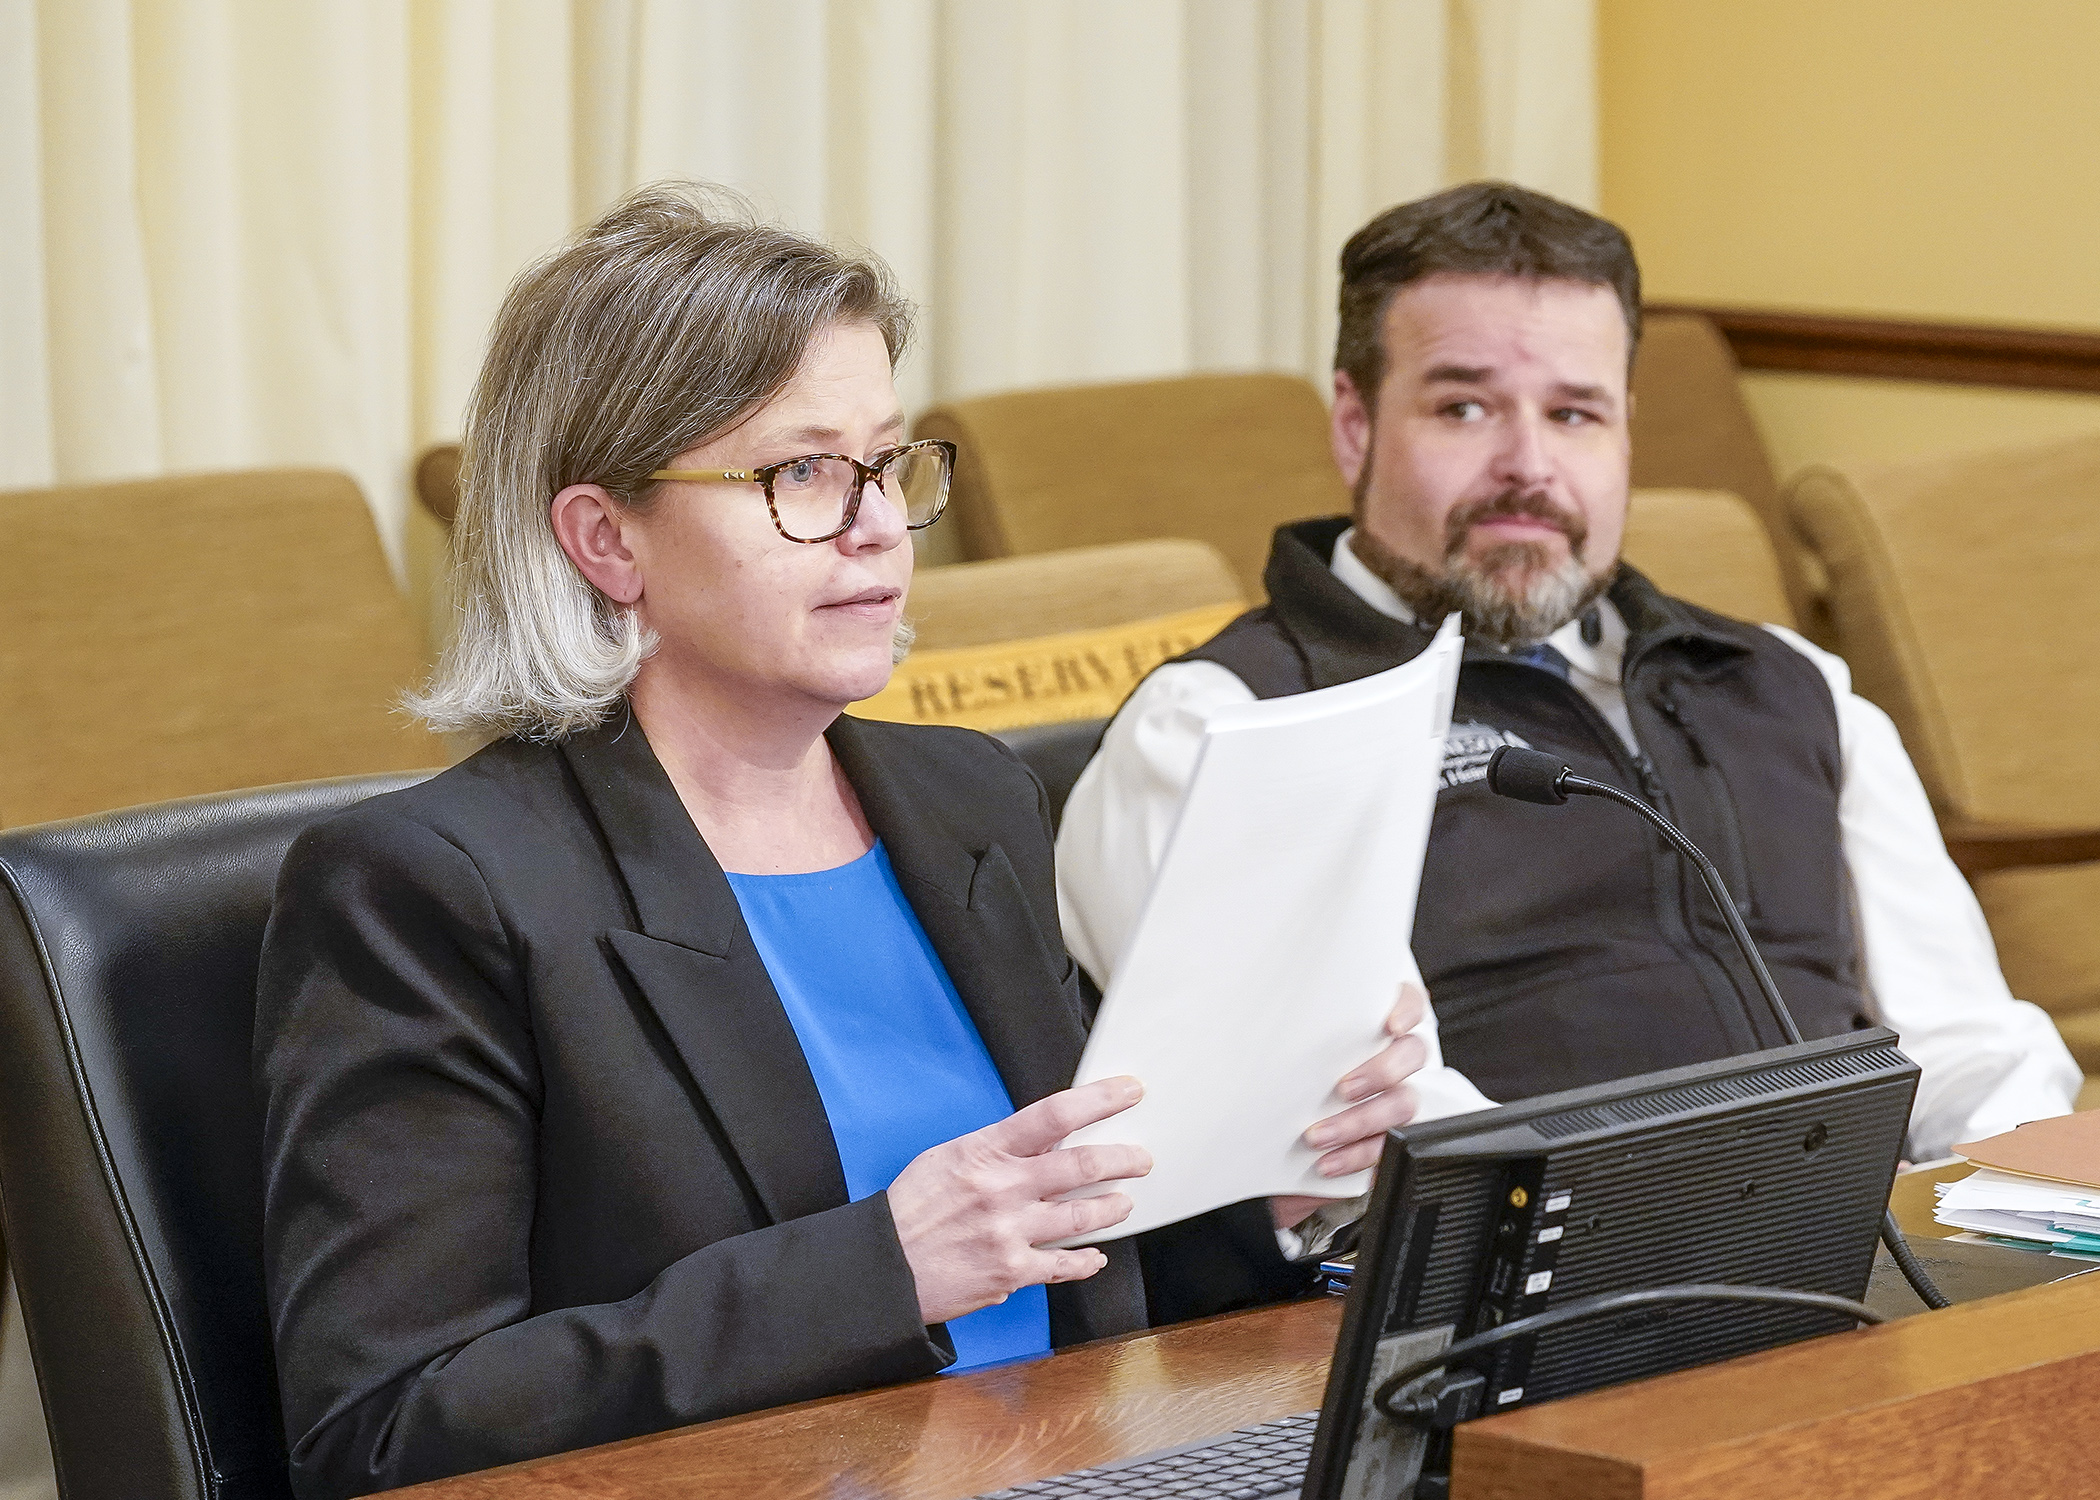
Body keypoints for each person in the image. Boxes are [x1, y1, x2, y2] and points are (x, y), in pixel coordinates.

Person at [253, 184, 1431, 1500]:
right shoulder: (432, 889)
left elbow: (1075, 1273)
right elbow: (388, 1428)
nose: (878, 526)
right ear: (605, 539)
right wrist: (885, 1271)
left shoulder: (970, 799)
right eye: (803, 473)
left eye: (887, 464)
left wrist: (1267, 1187)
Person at [1057, 181, 2081, 1166]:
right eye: (1465, 409)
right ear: (1355, 424)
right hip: (1520, 1268)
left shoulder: (1793, 686)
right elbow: (1367, 1127)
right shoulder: (1228, 729)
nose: (1528, 466)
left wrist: (2036, 1219)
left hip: (1867, 1245)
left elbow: (1971, 1050)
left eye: (1575, 414)